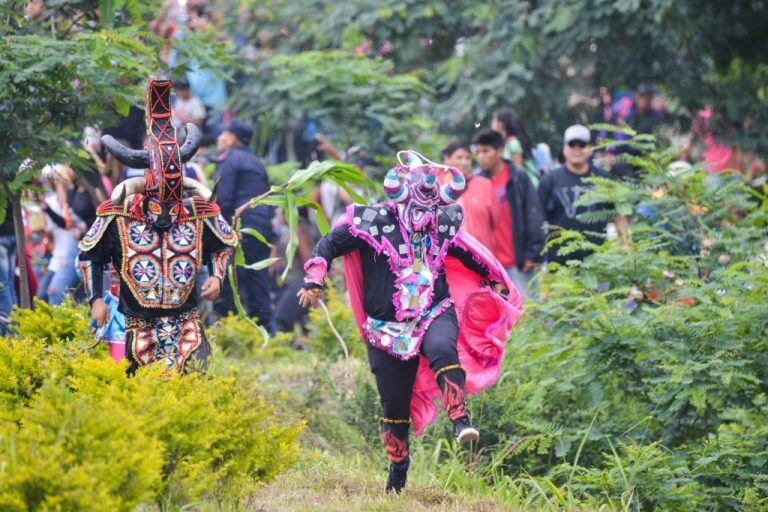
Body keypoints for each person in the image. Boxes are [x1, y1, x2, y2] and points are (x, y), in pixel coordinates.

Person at [298, 151, 523, 493]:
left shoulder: (442, 223)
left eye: (430, 211)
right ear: (399, 199)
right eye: (417, 210)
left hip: (434, 310)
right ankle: (398, 467)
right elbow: (328, 243)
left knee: (441, 347)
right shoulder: (373, 221)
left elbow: (469, 253)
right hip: (385, 330)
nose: (423, 218)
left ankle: (460, 419)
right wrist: (314, 279)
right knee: (394, 406)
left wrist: (494, 280)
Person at [78, 79, 237, 373]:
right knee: (141, 396)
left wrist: (216, 276)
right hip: (137, 325)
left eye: (172, 206)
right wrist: (96, 299)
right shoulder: (118, 215)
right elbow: (90, 256)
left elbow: (224, 244)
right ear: (144, 195)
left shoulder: (197, 213)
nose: (166, 214)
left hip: (187, 321)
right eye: (158, 206)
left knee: (195, 383)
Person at [212, 119, 274, 326]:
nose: (219, 139)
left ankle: (232, 327)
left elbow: (224, 199)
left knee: (229, 275)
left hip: (241, 225)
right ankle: (265, 329)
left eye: (223, 135)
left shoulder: (230, 160)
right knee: (257, 277)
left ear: (231, 139)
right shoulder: (255, 161)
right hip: (262, 226)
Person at [473, 129, 544, 295]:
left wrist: (533, 253)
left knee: (530, 312)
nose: (481, 157)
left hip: (518, 260)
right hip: (491, 265)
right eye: (478, 152)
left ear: (499, 151)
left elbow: (533, 214)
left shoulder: (518, 177)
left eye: (486, 151)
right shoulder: (478, 181)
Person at [538, 124, 614, 265]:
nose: (577, 149)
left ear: (590, 148)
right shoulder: (549, 180)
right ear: (564, 148)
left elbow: (619, 216)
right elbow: (538, 219)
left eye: (582, 144)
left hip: (598, 261)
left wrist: (627, 249)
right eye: (572, 145)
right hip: (559, 264)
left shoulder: (605, 179)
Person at [440, 141, 497, 249]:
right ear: (447, 159)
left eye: (467, 158)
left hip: (480, 253)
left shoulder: (484, 184)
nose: (464, 162)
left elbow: (496, 221)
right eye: (459, 157)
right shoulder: (436, 187)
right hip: (448, 255)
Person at [491, 108, 540, 187]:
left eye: (494, 120)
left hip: (529, 187)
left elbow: (519, 170)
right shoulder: (505, 143)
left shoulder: (513, 143)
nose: (492, 123)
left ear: (501, 124)